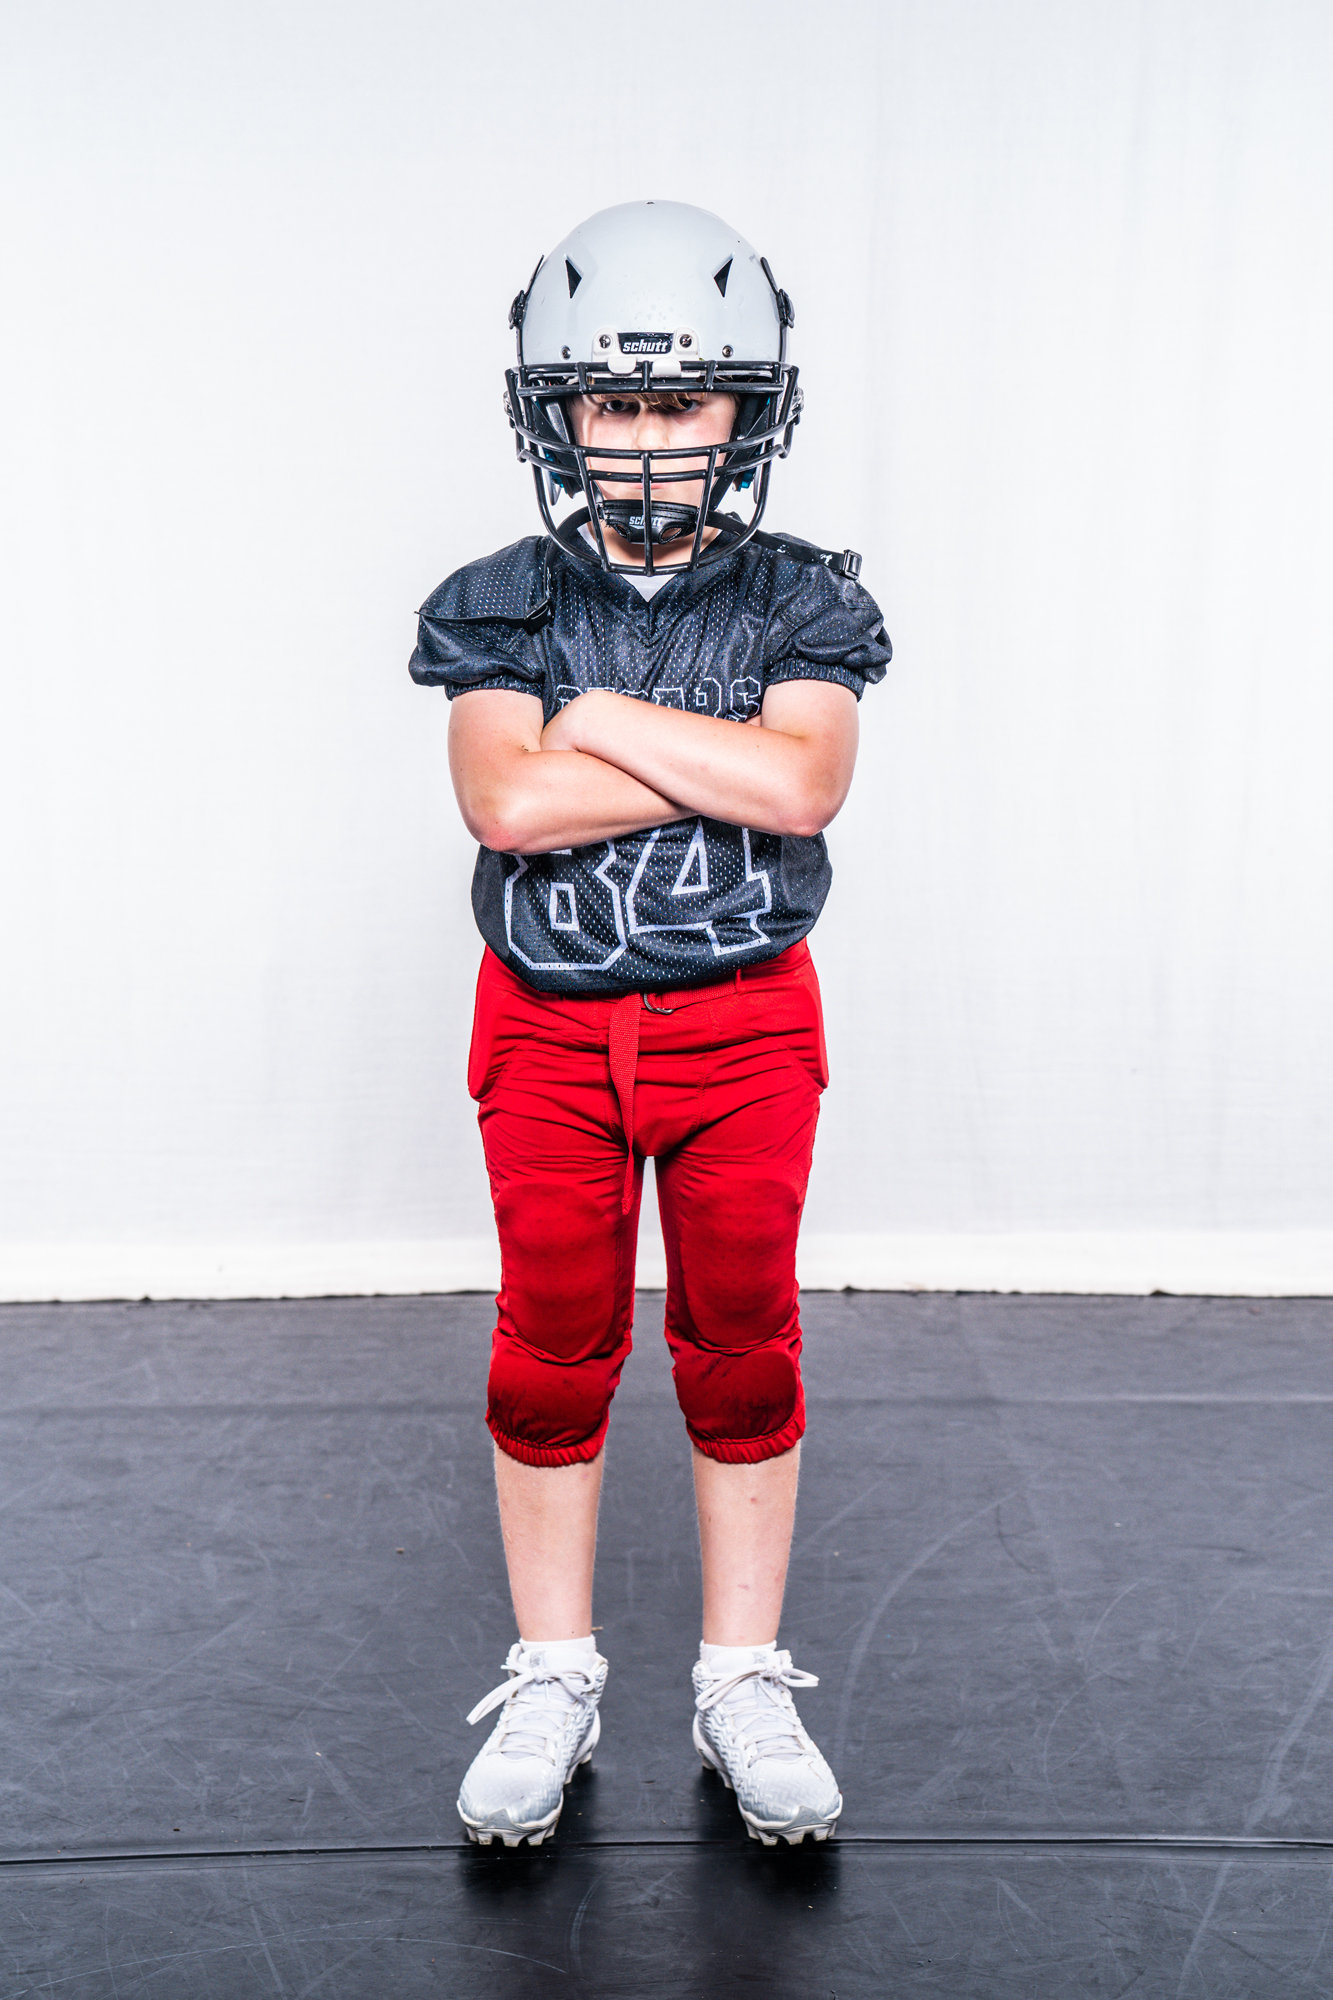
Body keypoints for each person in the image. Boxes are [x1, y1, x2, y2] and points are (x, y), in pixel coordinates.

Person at [409, 200, 890, 1850]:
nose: (648, 437)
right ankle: (555, 1668)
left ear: (747, 406)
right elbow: (507, 806)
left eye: (682, 400)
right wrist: (713, 752)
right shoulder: (496, 598)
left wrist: (599, 717)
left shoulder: (804, 595)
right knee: (551, 1336)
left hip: (742, 1021)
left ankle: (738, 1675)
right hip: (547, 1023)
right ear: (556, 412)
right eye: (612, 402)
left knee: (740, 1332)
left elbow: (804, 784)